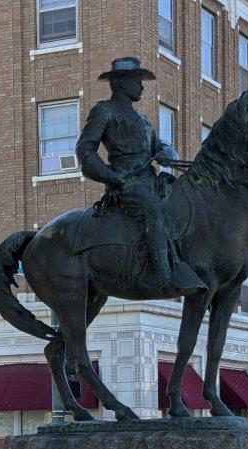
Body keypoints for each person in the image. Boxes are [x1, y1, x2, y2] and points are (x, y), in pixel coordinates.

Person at [76, 57, 207, 297]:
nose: (142, 86)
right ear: (121, 83)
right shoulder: (104, 111)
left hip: (151, 181)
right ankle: (164, 277)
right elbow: (85, 150)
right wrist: (111, 176)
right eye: (137, 80)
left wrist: (166, 153)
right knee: (153, 211)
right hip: (126, 184)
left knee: (185, 204)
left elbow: (159, 145)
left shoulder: (144, 120)